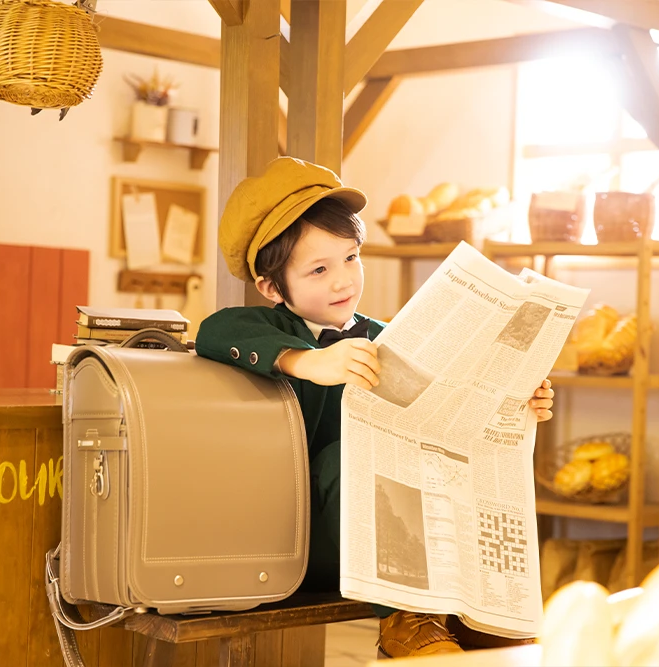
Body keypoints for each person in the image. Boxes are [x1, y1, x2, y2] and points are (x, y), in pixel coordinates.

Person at [196, 157, 555, 659]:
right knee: (350, 455)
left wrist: (515, 400)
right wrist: (307, 361)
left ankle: (470, 609)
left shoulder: (386, 337)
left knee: (448, 461)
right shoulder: (264, 326)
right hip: (307, 533)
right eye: (319, 269)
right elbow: (215, 331)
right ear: (273, 288)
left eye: (351, 258)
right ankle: (405, 620)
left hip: (396, 525)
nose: (343, 281)